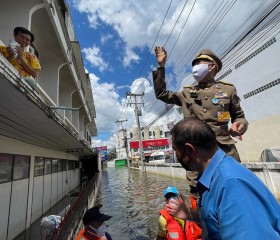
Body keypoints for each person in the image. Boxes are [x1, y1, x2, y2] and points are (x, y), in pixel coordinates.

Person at [152, 46, 248, 198]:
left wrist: (240, 125)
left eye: (199, 64)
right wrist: (161, 66)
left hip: (224, 151)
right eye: (194, 65)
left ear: (212, 66)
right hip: (196, 156)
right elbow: (161, 94)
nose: (195, 68)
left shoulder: (228, 90)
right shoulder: (186, 93)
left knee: (235, 191)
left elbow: (239, 116)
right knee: (200, 196)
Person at [167, 117, 280, 239]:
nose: (176, 156)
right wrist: (192, 215)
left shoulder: (230, 184)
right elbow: (219, 222)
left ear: (189, 150)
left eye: (175, 150)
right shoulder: (213, 178)